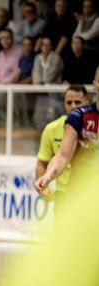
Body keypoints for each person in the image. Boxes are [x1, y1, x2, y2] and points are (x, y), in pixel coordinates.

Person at [36, 67, 99, 206]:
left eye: (77, 102)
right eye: (69, 102)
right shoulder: (78, 118)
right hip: (77, 196)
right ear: (95, 84)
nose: (73, 106)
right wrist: (46, 177)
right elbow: (62, 156)